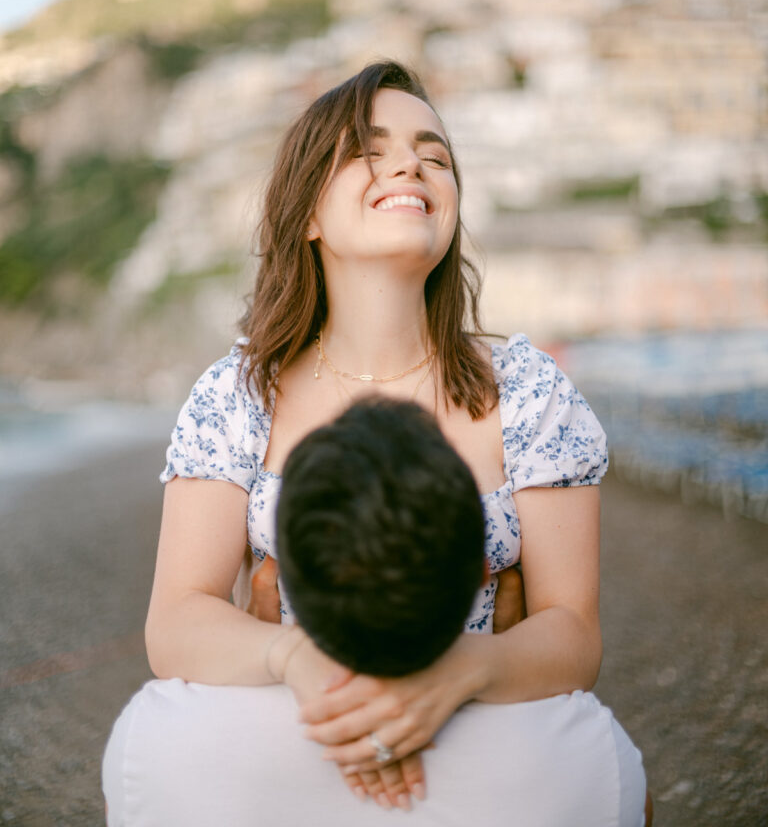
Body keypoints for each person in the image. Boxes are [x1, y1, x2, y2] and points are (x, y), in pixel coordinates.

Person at [136, 59, 609, 806]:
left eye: (435, 155)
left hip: (485, 748)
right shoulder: (238, 394)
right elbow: (175, 620)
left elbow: (573, 634)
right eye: (369, 148)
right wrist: (296, 659)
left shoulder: (529, 394)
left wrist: (462, 669)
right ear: (310, 215)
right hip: (296, 737)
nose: (409, 164)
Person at [103, 397, 648, 825]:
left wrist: (285, 654)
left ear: (280, 573)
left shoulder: (155, 747)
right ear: (486, 569)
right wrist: (494, 661)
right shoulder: (589, 762)